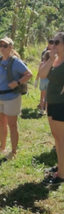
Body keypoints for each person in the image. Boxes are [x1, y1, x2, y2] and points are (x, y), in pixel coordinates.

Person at [0, 37, 32, 160]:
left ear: (11, 48)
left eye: (5, 46)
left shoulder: (15, 62)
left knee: (12, 125)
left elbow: (29, 74)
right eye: (1, 45)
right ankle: (2, 147)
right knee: (1, 122)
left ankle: (13, 152)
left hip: (11, 96)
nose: (2, 48)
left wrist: (17, 82)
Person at [39, 32, 64, 186]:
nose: (53, 45)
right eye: (51, 42)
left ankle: (61, 175)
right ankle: (61, 165)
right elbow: (42, 74)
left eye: (57, 42)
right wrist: (51, 58)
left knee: (61, 140)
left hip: (61, 104)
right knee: (56, 138)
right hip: (52, 102)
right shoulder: (54, 60)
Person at [34, 50, 50, 115]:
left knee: (42, 96)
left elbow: (38, 73)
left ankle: (41, 110)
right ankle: (46, 110)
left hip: (42, 80)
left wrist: (36, 81)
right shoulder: (51, 64)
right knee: (48, 97)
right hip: (49, 80)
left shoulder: (42, 63)